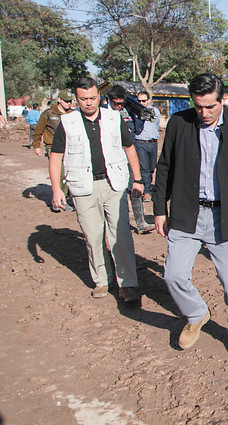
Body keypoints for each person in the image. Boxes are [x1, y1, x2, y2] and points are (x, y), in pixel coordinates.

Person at [153, 73, 228, 359]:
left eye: (210, 106)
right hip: (187, 215)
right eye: (198, 106)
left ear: (223, 99)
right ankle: (196, 314)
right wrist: (160, 208)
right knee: (172, 275)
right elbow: (165, 168)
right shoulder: (178, 124)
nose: (204, 113)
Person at [49, 77, 144, 303]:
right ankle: (102, 279)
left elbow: (129, 148)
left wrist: (138, 179)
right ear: (76, 99)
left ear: (98, 96)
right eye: (84, 99)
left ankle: (127, 283)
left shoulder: (113, 118)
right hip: (83, 187)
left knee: (120, 234)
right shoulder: (67, 122)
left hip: (114, 184)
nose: (89, 103)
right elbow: (56, 157)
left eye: (93, 98)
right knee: (92, 236)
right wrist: (56, 189)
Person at [104, 85, 155, 235]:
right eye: (116, 103)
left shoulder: (130, 110)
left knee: (135, 187)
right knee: (114, 192)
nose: (119, 106)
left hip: (129, 155)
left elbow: (137, 127)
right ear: (109, 100)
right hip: (111, 159)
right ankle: (115, 224)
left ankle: (141, 223)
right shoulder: (103, 113)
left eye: (121, 103)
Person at [33, 90, 75, 212]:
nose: (69, 103)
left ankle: (65, 197)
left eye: (70, 101)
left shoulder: (72, 114)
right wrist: (36, 146)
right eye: (66, 101)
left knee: (69, 174)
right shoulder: (48, 113)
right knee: (59, 174)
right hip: (53, 147)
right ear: (59, 100)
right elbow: (38, 130)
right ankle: (58, 202)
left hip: (69, 147)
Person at [131, 91, 161, 203]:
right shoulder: (135, 112)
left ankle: (148, 186)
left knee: (152, 167)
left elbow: (156, 125)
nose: (141, 102)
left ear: (148, 100)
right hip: (141, 142)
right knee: (144, 168)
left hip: (153, 142)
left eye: (143, 100)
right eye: (139, 101)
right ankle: (147, 192)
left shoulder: (155, 111)